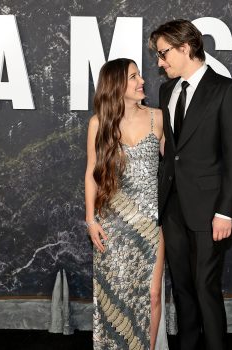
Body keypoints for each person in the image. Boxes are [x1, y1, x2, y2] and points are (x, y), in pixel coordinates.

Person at [149, 20, 232, 350]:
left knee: (206, 288)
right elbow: (172, 151)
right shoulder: (167, 91)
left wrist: (226, 211)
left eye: (163, 54)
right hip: (173, 207)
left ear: (185, 47)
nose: (160, 63)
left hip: (210, 211)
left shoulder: (226, 91)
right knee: (183, 289)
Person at [84, 58, 168, 350]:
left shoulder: (158, 118)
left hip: (150, 223)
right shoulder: (99, 123)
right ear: (117, 85)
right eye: (133, 77)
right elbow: (92, 172)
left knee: (153, 294)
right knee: (115, 298)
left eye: (139, 75)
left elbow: (174, 168)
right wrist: (91, 220)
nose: (142, 80)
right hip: (113, 222)